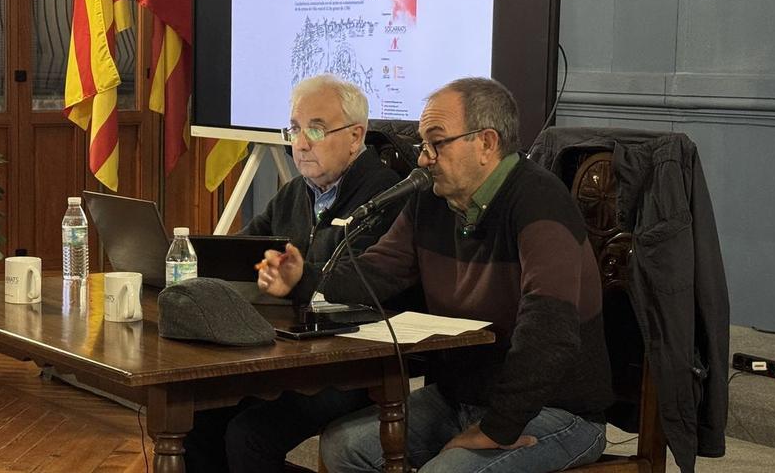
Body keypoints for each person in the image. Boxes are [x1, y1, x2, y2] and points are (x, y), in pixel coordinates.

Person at [257, 77, 613, 472]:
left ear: (486, 143)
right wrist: (303, 278)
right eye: (422, 145)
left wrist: (499, 427)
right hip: (459, 399)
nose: (424, 159)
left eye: (436, 143)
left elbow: (550, 332)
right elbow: (374, 271)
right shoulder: (430, 200)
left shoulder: (539, 201)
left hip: (554, 409)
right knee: (343, 447)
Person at [183, 74, 403, 472]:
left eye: (315, 130)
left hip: (351, 366)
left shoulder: (383, 195)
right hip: (288, 354)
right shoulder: (296, 192)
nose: (300, 144)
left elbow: (359, 283)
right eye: (295, 129)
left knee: (248, 436)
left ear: (356, 137)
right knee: (197, 419)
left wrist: (299, 277)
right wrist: (183, 261)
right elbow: (241, 254)